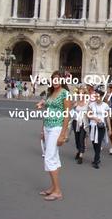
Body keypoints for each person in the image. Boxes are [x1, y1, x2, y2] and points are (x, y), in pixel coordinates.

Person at [35, 71, 71, 201]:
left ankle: (57, 191)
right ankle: (53, 187)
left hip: (57, 127)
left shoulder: (65, 94)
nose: (56, 81)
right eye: (54, 79)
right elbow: (47, 110)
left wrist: (63, 134)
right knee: (54, 158)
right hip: (48, 127)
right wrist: (42, 130)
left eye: (58, 79)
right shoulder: (50, 94)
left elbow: (67, 115)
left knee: (49, 158)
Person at [88, 90, 111, 169]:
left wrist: (109, 128)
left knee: (98, 143)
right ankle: (97, 156)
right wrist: (95, 118)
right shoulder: (91, 105)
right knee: (94, 143)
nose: (97, 98)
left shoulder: (105, 106)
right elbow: (88, 115)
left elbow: (107, 117)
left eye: (98, 96)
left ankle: (96, 160)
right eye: (95, 96)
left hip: (101, 127)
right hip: (93, 126)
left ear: (101, 97)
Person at [71, 86, 89, 164]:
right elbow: (71, 112)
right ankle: (79, 150)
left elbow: (90, 112)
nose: (81, 95)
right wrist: (73, 106)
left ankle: (81, 155)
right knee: (77, 138)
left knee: (82, 138)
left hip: (84, 122)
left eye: (83, 93)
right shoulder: (75, 102)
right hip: (76, 122)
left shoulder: (88, 103)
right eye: (79, 93)